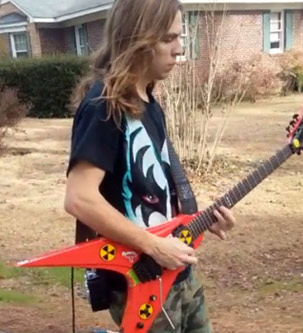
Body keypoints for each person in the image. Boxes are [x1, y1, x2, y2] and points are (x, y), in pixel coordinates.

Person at [64, 0, 235, 331]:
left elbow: (152, 188)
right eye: (168, 39)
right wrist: (152, 245)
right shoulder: (105, 105)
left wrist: (201, 220)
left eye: (180, 37)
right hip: (139, 278)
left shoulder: (149, 103)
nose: (179, 50)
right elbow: (79, 198)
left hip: (178, 269)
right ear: (138, 39)